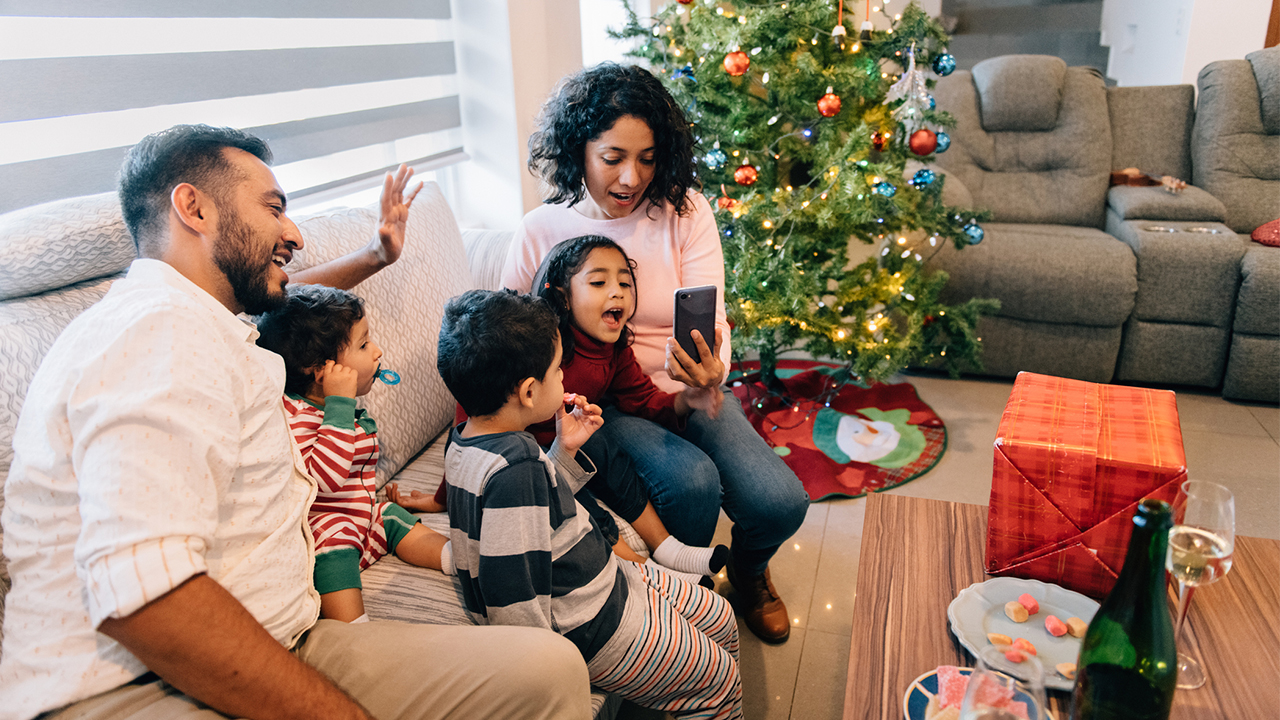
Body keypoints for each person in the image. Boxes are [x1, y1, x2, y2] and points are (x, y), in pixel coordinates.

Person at [0, 124, 591, 720]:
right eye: (273, 208)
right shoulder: (157, 333)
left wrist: (376, 256)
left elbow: (292, 297)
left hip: (292, 636)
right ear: (194, 207)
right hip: (137, 686)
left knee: (547, 669)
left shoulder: (202, 320)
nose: (294, 233)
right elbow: (141, 594)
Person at [501, 62, 810, 643]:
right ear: (579, 149)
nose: (631, 177)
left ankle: (749, 570)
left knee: (780, 501)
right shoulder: (541, 229)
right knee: (690, 479)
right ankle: (683, 607)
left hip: (687, 391)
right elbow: (510, 340)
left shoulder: (685, 212)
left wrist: (708, 372)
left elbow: (711, 317)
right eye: (613, 157)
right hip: (601, 399)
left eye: (646, 158)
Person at [436, 289, 743, 720]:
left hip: (607, 575)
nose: (565, 379)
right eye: (558, 370)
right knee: (721, 680)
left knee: (720, 614)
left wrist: (563, 449)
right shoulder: (515, 467)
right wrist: (554, 674)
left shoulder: (468, 438)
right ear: (528, 392)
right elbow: (513, 601)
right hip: (596, 622)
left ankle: (672, 693)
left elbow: (531, 515)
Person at [447, 235, 728, 583]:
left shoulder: (613, 349)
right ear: (564, 296)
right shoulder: (540, 346)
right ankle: (650, 573)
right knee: (574, 504)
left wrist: (688, 399)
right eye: (598, 282)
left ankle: (667, 546)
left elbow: (642, 398)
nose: (617, 292)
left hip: (571, 440)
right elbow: (473, 408)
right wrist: (447, 490)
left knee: (605, 445)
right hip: (530, 456)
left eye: (625, 282)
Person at [255, 284, 455, 624]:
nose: (377, 352)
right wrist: (340, 406)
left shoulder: (334, 409)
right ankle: (353, 629)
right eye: (363, 345)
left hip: (362, 519)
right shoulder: (297, 417)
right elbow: (327, 482)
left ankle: (460, 560)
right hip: (325, 526)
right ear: (320, 369)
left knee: (391, 516)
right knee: (332, 540)